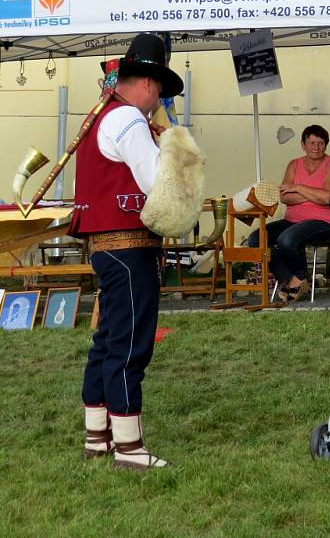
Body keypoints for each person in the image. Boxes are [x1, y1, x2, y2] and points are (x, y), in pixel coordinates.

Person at [69, 33, 184, 469]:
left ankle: (98, 436)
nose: (157, 102)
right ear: (150, 85)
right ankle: (129, 446)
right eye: (158, 93)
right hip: (129, 245)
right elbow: (157, 183)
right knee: (130, 342)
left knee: (108, 340)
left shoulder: (102, 116)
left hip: (106, 245)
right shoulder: (130, 121)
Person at [247, 125, 330, 301]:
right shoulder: (294, 165)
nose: (316, 147)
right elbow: (284, 197)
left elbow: (327, 198)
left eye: (321, 143)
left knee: (286, 239)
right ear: (303, 144)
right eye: (311, 143)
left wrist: (297, 187)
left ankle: (298, 277)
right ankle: (292, 280)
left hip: (323, 221)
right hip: (292, 221)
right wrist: (314, 194)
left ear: (326, 145)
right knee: (256, 239)